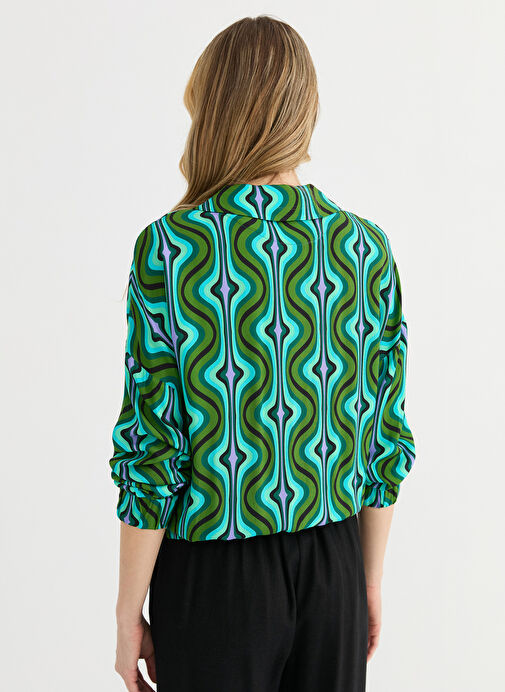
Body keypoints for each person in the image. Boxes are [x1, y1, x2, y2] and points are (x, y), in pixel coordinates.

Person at [108, 14, 416, 692]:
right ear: (303, 111)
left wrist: (129, 610)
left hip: (215, 577)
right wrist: (367, 579)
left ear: (215, 112)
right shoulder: (364, 249)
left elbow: (154, 444)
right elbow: (382, 433)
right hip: (335, 560)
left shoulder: (172, 248)